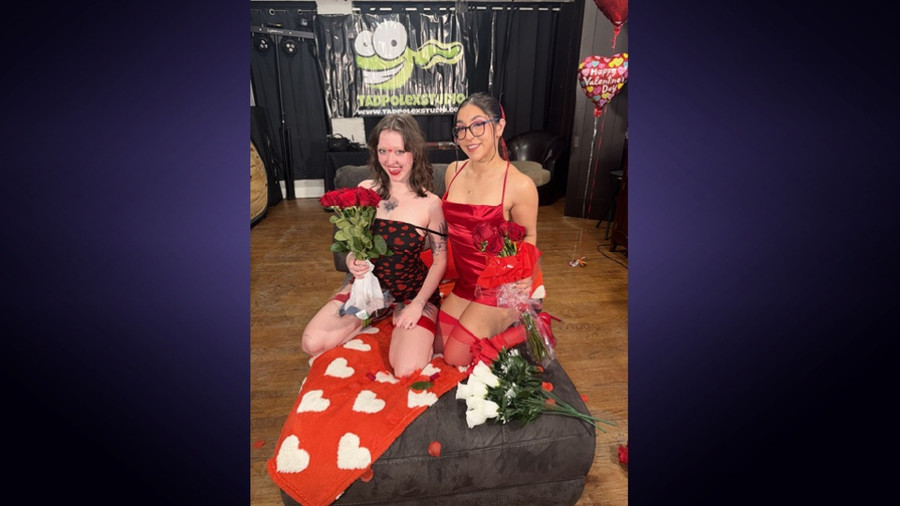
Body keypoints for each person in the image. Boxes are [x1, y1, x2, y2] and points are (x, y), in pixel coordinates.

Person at [301, 114, 448, 378]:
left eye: (399, 151)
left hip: (411, 293)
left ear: (414, 152)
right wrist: (351, 260)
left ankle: (409, 325)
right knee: (312, 342)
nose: (391, 160)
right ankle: (371, 314)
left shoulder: (431, 204)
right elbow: (352, 244)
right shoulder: (365, 190)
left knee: (407, 369)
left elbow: (440, 261)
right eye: (383, 151)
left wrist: (417, 305)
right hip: (368, 291)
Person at [436, 92, 541, 367]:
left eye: (478, 125)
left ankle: (522, 326)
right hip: (466, 283)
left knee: (455, 356)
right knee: (438, 345)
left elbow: (529, 234)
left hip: (499, 287)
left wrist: (525, 272)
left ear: (499, 126)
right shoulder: (453, 171)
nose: (468, 136)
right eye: (461, 128)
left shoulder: (520, 185)